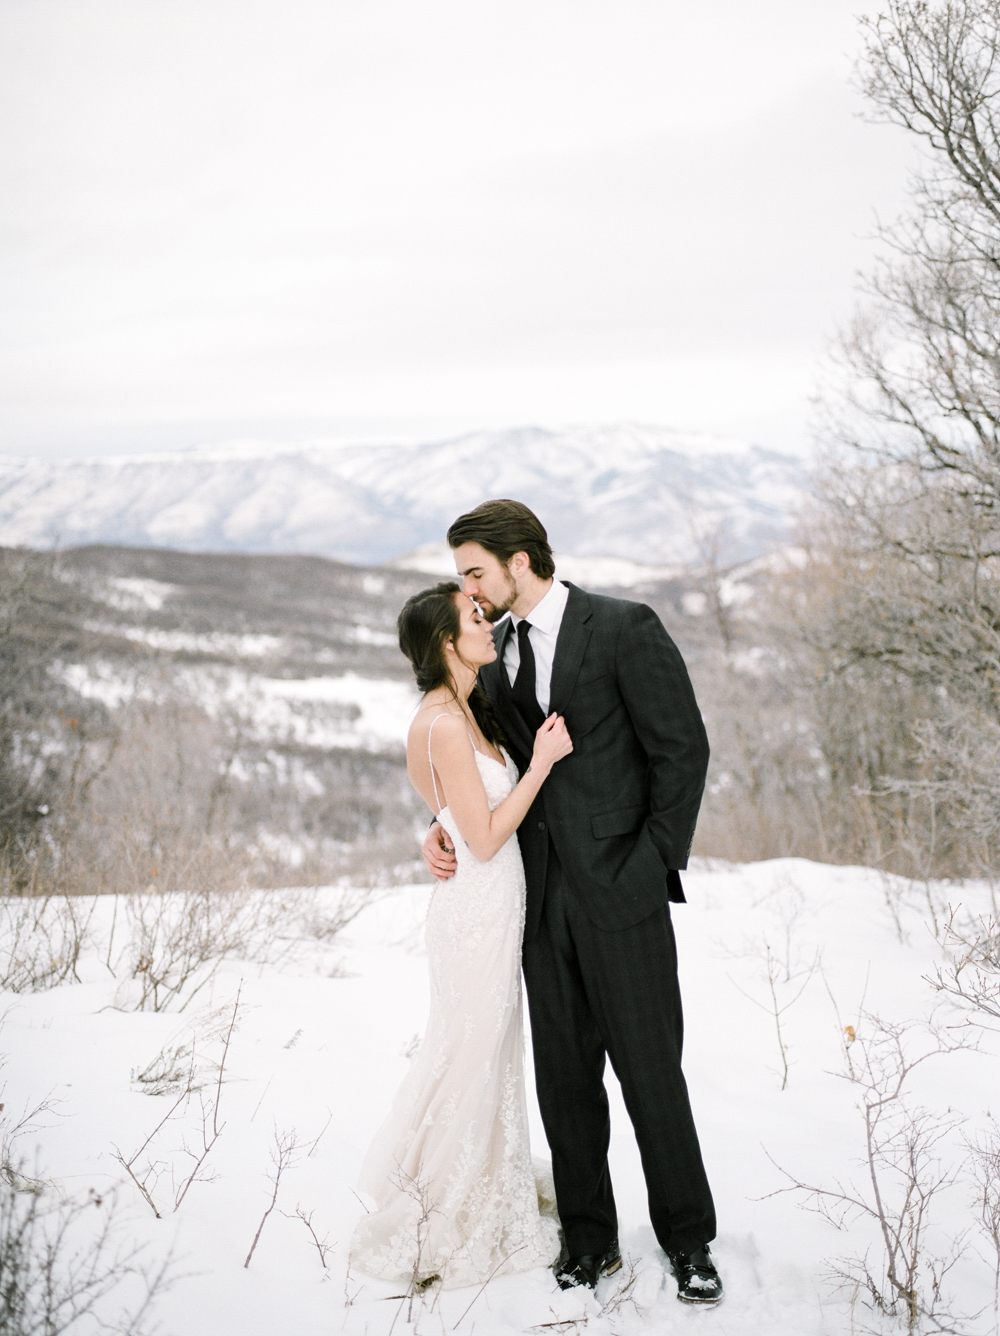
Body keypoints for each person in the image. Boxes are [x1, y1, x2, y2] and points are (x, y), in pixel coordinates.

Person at [422, 499, 723, 1306]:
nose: (471, 592)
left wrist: (651, 862)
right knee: (564, 1081)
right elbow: (472, 761)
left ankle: (689, 1241)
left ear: (521, 562)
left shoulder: (624, 628)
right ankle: (587, 1240)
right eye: (462, 581)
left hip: (622, 897)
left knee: (651, 1074)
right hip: (534, 898)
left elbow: (681, 750)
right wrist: (439, 826)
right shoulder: (490, 657)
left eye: (475, 573)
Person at [350, 582, 573, 1290]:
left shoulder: (460, 707)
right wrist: (538, 765)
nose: (487, 623)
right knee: (474, 1050)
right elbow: (477, 836)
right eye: (474, 618)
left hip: (487, 906)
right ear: (448, 643)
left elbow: (446, 813)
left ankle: (479, 1179)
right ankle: (453, 1204)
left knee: (480, 1050)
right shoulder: (442, 723)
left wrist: (435, 830)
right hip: (478, 909)